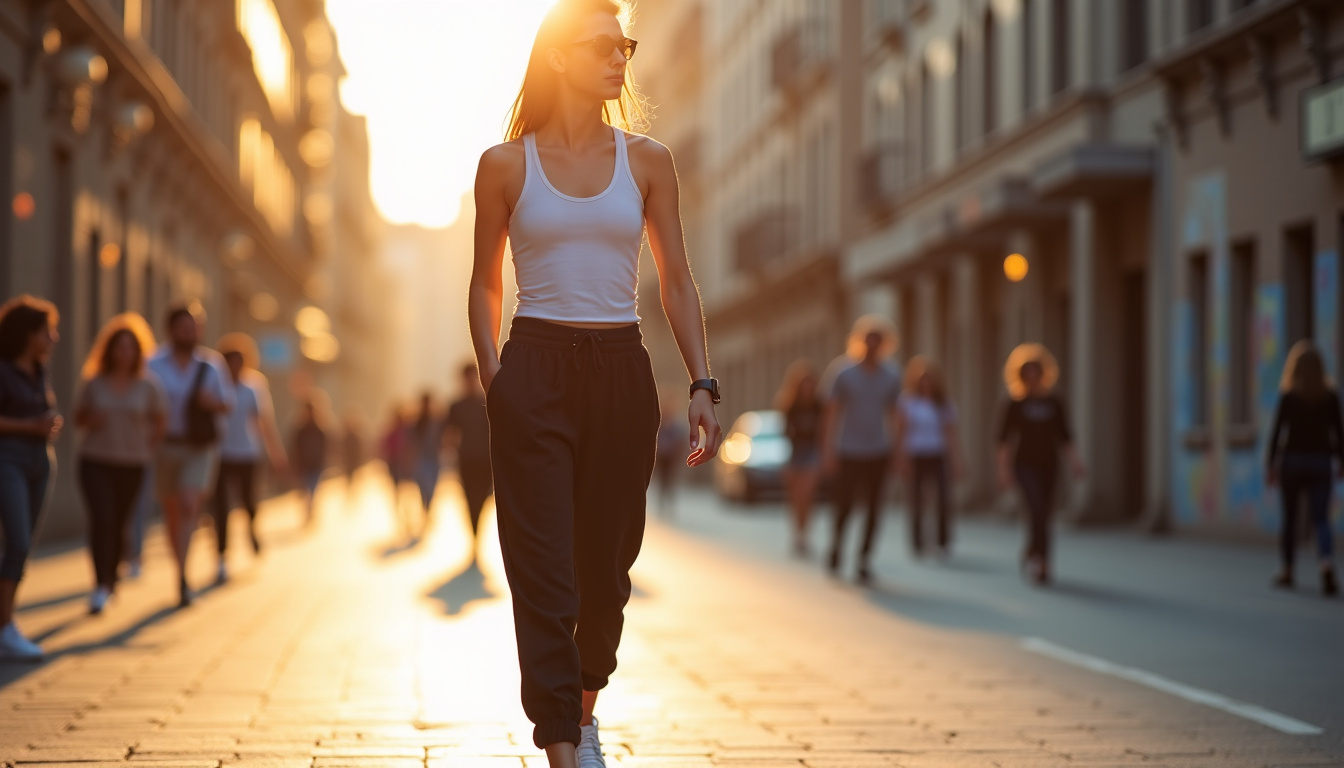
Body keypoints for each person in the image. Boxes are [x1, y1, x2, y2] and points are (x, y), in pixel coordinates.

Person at [468, 1, 722, 763]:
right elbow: (484, 284)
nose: (620, 58)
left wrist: (702, 382)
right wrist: (496, 381)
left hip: (621, 370)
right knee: (541, 566)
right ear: (557, 56)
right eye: (603, 45)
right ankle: (558, 738)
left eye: (625, 46)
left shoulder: (648, 160)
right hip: (534, 365)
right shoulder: (504, 165)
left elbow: (676, 280)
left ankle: (583, 703)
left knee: (607, 571)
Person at [74, 313, 165, 614]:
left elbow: (160, 420)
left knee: (119, 523)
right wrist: (92, 419)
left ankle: (111, 578)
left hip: (132, 463)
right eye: (120, 347)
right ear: (110, 350)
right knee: (102, 519)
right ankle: (100, 584)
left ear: (138, 352)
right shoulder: (95, 382)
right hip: (96, 460)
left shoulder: (148, 385)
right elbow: (77, 417)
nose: (125, 353)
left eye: (130, 348)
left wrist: (147, 446)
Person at [147, 302, 232, 608]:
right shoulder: (154, 364)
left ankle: (182, 578)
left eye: (195, 327)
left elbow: (228, 404)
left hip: (198, 447)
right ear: (171, 330)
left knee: (187, 505)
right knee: (172, 512)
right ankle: (179, 566)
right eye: (185, 327)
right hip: (165, 446)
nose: (191, 332)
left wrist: (211, 402)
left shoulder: (211, 365)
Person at [0, 296, 62, 661]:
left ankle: (6, 623)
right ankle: (5, 627)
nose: (53, 338)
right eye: (47, 331)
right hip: (9, 460)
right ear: (28, 334)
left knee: (22, 547)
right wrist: (30, 426)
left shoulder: (39, 370)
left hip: (41, 460)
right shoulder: (4, 371)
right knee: (17, 543)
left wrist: (47, 424)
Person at [821, 316, 902, 585]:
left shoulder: (891, 374)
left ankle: (864, 559)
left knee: (874, 508)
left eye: (878, 341)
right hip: (848, 449)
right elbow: (831, 413)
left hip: (878, 449)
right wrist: (828, 450)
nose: (872, 346)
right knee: (844, 505)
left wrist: (898, 452)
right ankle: (836, 547)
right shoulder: (843, 372)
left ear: (885, 345)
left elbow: (895, 415)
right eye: (868, 341)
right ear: (859, 342)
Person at [996, 343, 1085, 587]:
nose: (1032, 377)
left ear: (1044, 373)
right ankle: (1039, 562)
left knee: (1045, 514)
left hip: (1049, 464)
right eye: (1027, 372)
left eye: (1036, 371)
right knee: (1035, 509)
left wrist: (1075, 462)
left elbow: (1065, 436)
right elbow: (1003, 440)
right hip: (1024, 465)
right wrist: (1003, 472)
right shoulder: (1014, 404)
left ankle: (1037, 552)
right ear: (1020, 375)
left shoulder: (1054, 402)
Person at [1266, 340, 1343, 596]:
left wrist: (1271, 465)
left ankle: (1288, 569)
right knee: (1321, 519)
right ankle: (1326, 564)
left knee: (1290, 518)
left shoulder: (1289, 397)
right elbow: (1339, 433)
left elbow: (1277, 432)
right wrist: (1340, 461)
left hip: (1292, 462)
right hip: (1321, 462)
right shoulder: (1330, 397)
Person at [213, 333, 286, 583]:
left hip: (247, 453)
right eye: (230, 361)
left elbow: (264, 422)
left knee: (248, 501)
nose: (235, 366)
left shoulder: (254, 386)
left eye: (239, 361)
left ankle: (251, 529)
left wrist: (276, 453)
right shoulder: (217, 383)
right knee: (221, 507)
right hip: (221, 453)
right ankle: (221, 557)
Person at [895, 356, 963, 559]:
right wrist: (901, 458)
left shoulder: (943, 404)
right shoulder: (908, 402)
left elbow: (950, 434)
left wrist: (956, 459)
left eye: (930, 378)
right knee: (916, 499)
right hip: (916, 454)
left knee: (943, 497)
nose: (926, 382)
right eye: (923, 378)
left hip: (937, 454)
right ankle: (918, 542)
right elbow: (901, 432)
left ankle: (942, 540)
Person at [445, 363, 492, 562]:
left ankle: (477, 536)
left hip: (486, 461)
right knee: (469, 500)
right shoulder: (456, 406)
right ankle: (474, 538)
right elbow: (449, 433)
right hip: (466, 460)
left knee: (482, 500)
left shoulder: (487, 402)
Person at [778, 360, 823, 557]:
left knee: (807, 495)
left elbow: (825, 431)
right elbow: (785, 433)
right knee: (796, 498)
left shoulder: (819, 406)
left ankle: (805, 534)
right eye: (804, 384)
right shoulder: (790, 406)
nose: (807, 388)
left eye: (810, 383)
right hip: (796, 453)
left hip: (813, 452)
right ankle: (797, 533)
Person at [289, 394, 329, 526]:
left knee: (313, 489)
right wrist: (295, 464)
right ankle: (308, 510)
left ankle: (310, 510)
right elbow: (295, 448)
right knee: (305, 489)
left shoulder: (320, 429)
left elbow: (326, 446)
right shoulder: (300, 430)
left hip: (316, 464)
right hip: (304, 465)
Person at [408, 392, 443, 530]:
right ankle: (425, 508)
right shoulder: (416, 422)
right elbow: (412, 442)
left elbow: (441, 439)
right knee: (424, 487)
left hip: (433, 459)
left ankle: (428, 509)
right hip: (422, 459)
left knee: (432, 487)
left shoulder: (437, 421)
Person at [652, 394, 687, 518]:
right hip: (661, 456)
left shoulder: (677, 425)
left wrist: (679, 456)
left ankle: (669, 504)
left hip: (671, 458)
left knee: (670, 481)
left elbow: (681, 441)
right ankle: (662, 504)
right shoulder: (659, 423)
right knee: (662, 481)